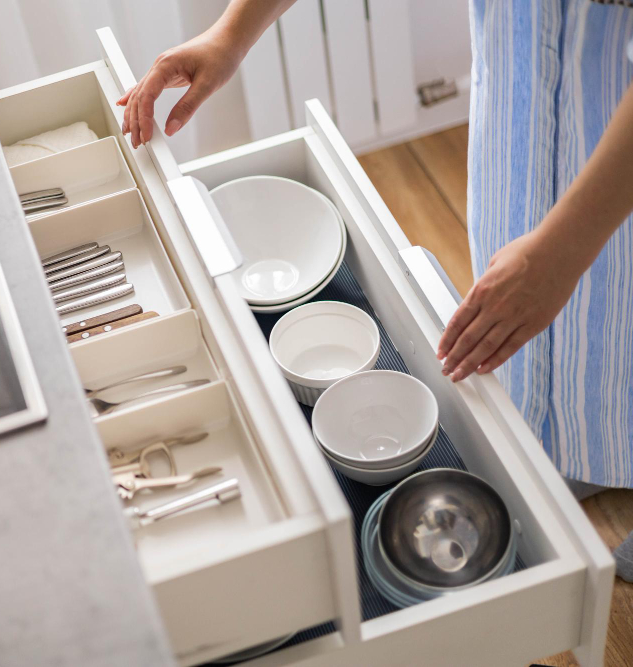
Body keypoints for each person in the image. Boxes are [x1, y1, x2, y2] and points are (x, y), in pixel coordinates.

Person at [119, 0, 633, 579]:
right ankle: (570, 439)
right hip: (524, 87)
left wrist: (563, 250)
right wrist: (230, 35)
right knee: (559, 327)